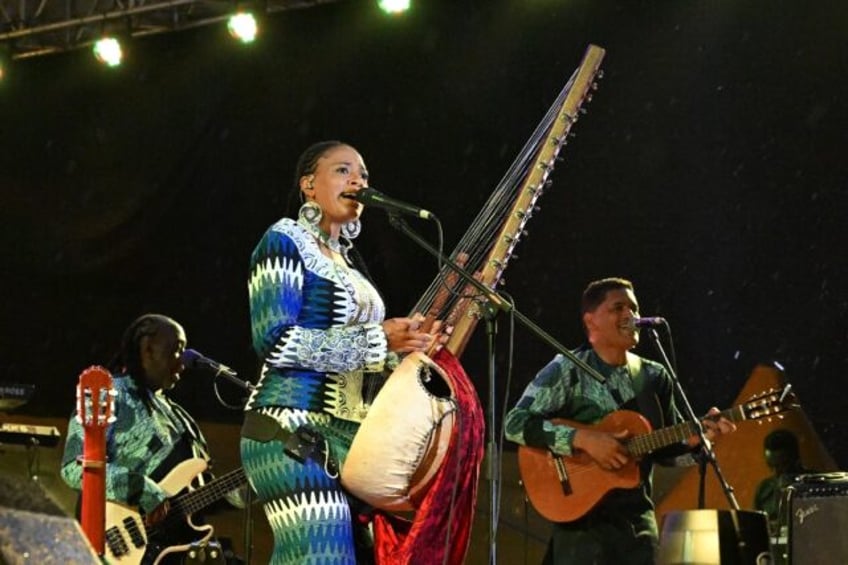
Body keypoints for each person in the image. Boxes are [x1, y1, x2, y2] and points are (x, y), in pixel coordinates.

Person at [239, 140, 441, 564]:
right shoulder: (284, 239)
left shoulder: (349, 265)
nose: (358, 181)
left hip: (348, 441)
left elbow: (360, 360)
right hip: (288, 427)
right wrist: (378, 339)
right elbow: (275, 342)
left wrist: (406, 347)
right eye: (344, 170)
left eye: (364, 174)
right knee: (322, 553)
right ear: (309, 185)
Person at [504, 277, 736, 565]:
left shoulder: (653, 376)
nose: (631, 316)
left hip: (637, 525)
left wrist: (699, 439)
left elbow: (665, 452)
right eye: (618, 308)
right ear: (591, 322)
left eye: (634, 308)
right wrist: (583, 439)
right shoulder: (568, 368)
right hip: (582, 528)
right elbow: (514, 423)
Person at [61, 313, 243, 564]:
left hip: (174, 551)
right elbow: (74, 467)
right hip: (118, 544)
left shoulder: (180, 416)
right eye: (177, 350)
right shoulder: (108, 393)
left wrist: (256, 482)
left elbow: (196, 493)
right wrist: (143, 490)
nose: (182, 363)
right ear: (148, 349)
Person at [753, 428, 809, 535]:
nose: (776, 472)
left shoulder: (813, 485)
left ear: (796, 460)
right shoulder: (764, 488)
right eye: (771, 466)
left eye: (782, 465)